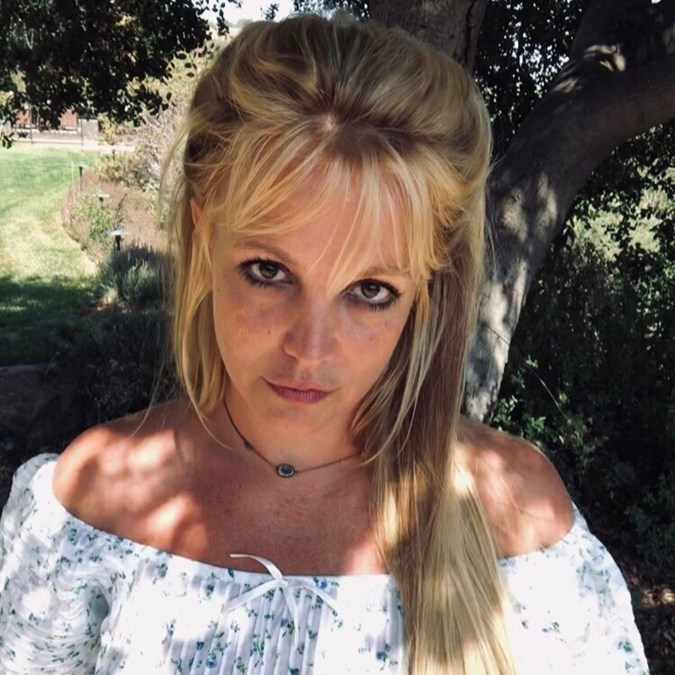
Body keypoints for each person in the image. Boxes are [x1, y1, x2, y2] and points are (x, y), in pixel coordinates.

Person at [0, 13, 648, 675]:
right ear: (203, 236)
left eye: (370, 289)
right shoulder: (89, 512)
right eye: (267, 270)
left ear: (427, 286)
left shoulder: (517, 520)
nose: (309, 349)